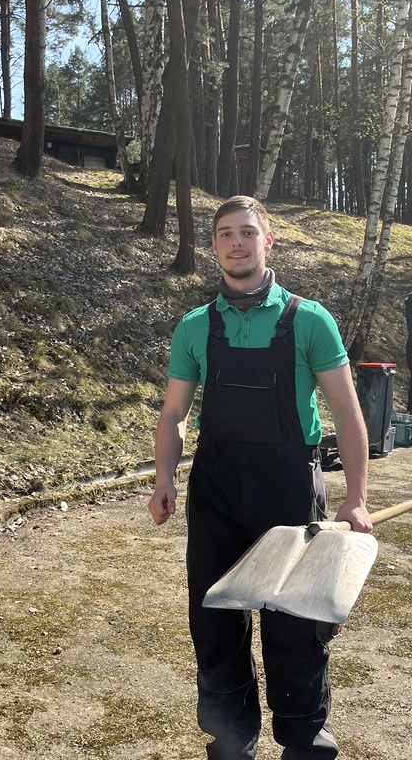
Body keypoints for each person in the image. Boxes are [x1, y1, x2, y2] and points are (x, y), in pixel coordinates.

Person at [148, 196, 372, 760]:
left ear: (267, 240)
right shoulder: (195, 327)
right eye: (225, 233)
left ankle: (305, 744)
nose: (236, 243)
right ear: (213, 245)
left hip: (290, 490)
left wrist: (357, 499)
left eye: (247, 232)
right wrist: (164, 478)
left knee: (296, 625)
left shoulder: (310, 319)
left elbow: (347, 413)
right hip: (217, 492)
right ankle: (230, 743)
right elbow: (173, 414)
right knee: (215, 621)